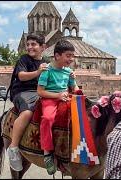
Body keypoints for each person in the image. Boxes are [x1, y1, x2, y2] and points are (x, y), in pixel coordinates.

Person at [7, 34, 48, 172]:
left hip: (39, 92)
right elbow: (21, 76)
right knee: (27, 112)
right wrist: (37, 72)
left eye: (33, 44)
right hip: (22, 92)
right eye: (28, 44)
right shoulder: (24, 59)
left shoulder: (47, 62)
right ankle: (13, 147)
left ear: (43, 47)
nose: (30, 47)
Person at [37, 40, 79, 175]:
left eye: (72, 56)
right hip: (49, 99)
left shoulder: (68, 72)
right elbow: (40, 91)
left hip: (65, 98)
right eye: (68, 56)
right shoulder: (47, 71)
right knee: (48, 118)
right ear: (57, 56)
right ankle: (47, 153)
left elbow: (75, 88)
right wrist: (58, 95)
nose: (71, 59)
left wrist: (76, 87)